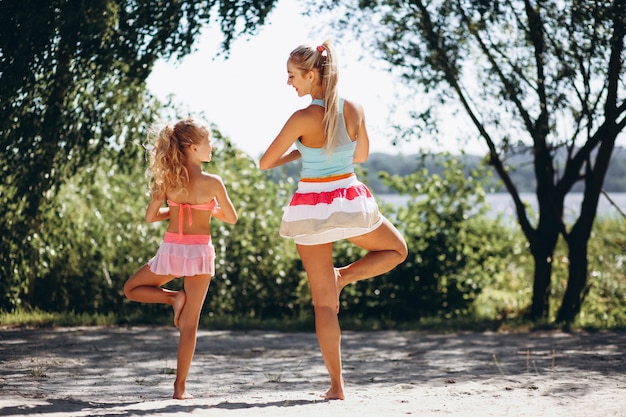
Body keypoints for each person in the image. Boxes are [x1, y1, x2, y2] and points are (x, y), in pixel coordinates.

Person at [259, 40, 408, 400]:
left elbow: (265, 162)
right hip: (348, 201)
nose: (290, 83)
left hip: (310, 208)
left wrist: (301, 150)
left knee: (324, 305)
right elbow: (363, 154)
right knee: (397, 250)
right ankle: (346, 276)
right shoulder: (354, 108)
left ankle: (337, 386)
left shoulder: (301, 118)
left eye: (293, 76)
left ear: (312, 75)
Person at [123, 117, 238, 400]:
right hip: (199, 252)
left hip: (173, 249)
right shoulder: (213, 183)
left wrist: (173, 211)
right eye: (208, 141)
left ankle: (172, 298)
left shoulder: (167, 180)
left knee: (131, 289)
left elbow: (150, 216)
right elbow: (232, 218)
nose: (212, 146)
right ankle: (180, 389)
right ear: (192, 147)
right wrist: (208, 210)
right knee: (190, 324)